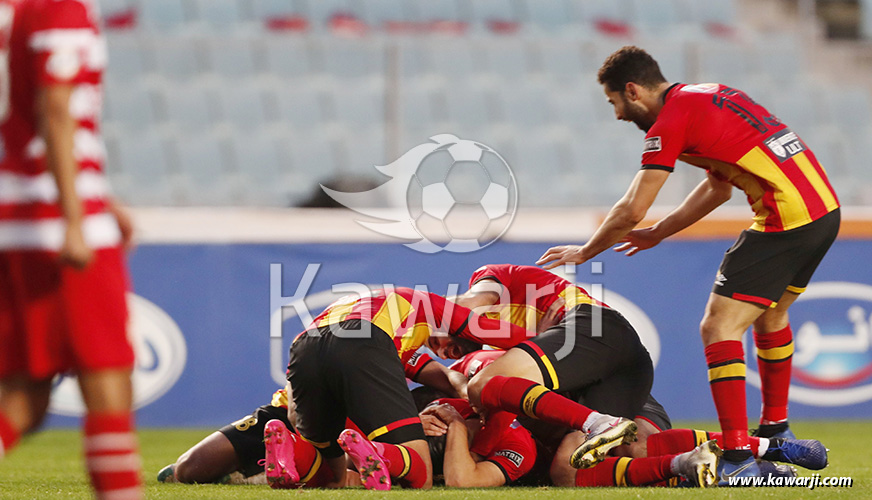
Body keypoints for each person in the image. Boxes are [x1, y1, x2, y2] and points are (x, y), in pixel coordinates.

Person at [537, 46, 840, 480]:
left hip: (784, 217)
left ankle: (738, 459)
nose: (619, 115)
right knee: (771, 317)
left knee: (718, 327)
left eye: (614, 103)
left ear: (632, 90)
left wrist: (586, 251)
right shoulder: (708, 96)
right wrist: (660, 233)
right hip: (822, 211)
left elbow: (631, 208)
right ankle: (776, 428)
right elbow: (718, 189)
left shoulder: (670, 121)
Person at [286, 286, 634, 490]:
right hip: (362, 346)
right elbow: (482, 329)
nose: (451, 352)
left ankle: (289, 455)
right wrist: (543, 339)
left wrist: (457, 381)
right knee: (418, 472)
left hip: (304, 346)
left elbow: (427, 370)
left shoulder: (392, 325)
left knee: (332, 472)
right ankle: (379, 453)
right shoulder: (431, 306)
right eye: (456, 345)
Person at [0, 1, 143, 499]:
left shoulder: (20, 10)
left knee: (25, 396)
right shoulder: (61, 6)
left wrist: (105, 200)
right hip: (51, 221)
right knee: (108, 378)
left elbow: (29, 117)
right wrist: (77, 217)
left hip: (20, 212)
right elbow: (55, 108)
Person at [454, 264, 653, 469]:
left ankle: (598, 422)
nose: (443, 353)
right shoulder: (502, 344)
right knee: (568, 468)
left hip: (597, 328)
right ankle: (681, 462)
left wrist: (427, 313)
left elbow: (468, 303)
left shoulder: (490, 276)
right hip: (616, 368)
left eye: (433, 340)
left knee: (484, 384)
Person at [156, 356, 468, 485]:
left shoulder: (397, 349)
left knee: (349, 466)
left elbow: (450, 380)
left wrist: (467, 398)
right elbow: (296, 393)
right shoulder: (320, 341)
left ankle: (274, 466)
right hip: (291, 417)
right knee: (189, 470)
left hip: (353, 429)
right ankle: (257, 467)